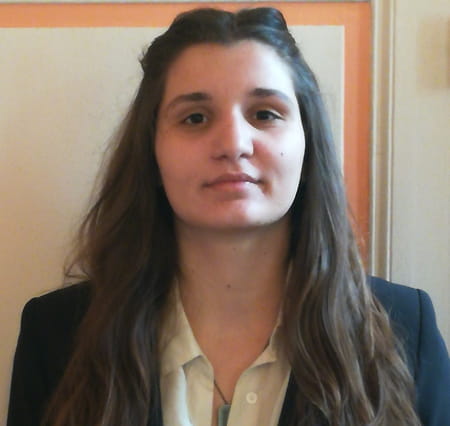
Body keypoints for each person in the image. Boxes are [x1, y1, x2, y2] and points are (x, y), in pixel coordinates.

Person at [7, 7, 450, 426]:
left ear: (308, 145)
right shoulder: (56, 335)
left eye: (265, 114)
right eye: (195, 118)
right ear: (151, 153)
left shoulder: (406, 331)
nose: (234, 143)